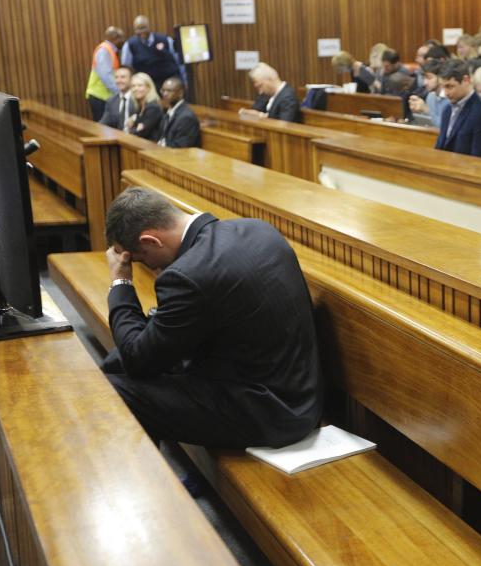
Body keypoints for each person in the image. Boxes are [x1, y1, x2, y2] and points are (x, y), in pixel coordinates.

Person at [101, 187, 322, 449]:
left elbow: (140, 361)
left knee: (113, 391)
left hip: (265, 411)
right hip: (295, 391)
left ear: (151, 241)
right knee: (117, 361)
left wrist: (121, 282)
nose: (147, 266)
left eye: (140, 259)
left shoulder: (188, 275)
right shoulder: (258, 229)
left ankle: (153, 486)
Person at [433, 60, 481, 158]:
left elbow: (480, 158)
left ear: (466, 80)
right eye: (443, 87)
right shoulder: (447, 110)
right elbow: (440, 147)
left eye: (449, 86)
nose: (445, 93)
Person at [121, 15, 185, 92]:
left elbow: (179, 61)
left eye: (144, 28)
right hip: (146, 85)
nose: (141, 31)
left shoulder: (165, 39)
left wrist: (184, 80)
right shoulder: (130, 45)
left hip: (169, 81)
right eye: (138, 29)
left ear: (149, 27)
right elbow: (127, 67)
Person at [85, 26, 125, 121]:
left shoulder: (109, 50)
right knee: (103, 129)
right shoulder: (104, 50)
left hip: (104, 95)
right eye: (122, 38)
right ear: (116, 38)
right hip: (100, 95)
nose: (123, 41)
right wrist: (119, 93)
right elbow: (106, 76)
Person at [157, 77, 200, 148]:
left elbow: (181, 146)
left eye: (169, 91)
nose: (165, 94)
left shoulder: (186, 117)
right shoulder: (168, 112)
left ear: (180, 93)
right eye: (163, 90)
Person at [409, 59, 450, 128]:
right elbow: (427, 123)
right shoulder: (430, 96)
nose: (425, 83)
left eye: (429, 78)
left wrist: (426, 109)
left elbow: (444, 127)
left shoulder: (450, 98)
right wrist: (418, 112)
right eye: (424, 78)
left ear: (440, 78)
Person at [124, 72, 163, 141]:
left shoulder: (153, 107)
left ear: (148, 88)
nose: (136, 89)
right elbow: (135, 129)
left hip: (151, 148)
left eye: (140, 85)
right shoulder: (140, 105)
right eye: (133, 86)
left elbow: (141, 133)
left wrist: (133, 128)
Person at [98, 65, 135, 129]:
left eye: (123, 77)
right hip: (118, 137)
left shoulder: (139, 99)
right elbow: (103, 123)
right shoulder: (112, 101)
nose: (119, 80)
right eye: (116, 77)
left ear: (132, 79)